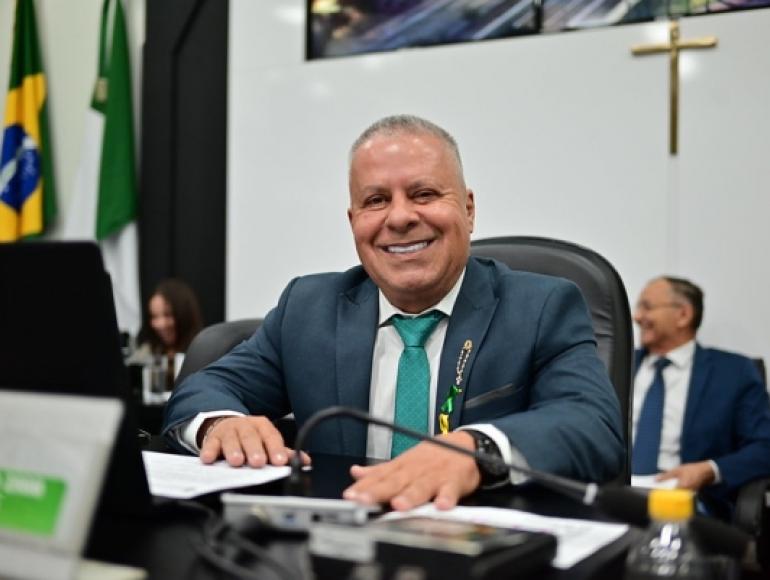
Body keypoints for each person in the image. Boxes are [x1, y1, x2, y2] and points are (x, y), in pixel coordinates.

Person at [163, 114, 623, 511]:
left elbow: (593, 426)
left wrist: (477, 449)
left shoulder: (542, 307)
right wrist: (221, 424)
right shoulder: (308, 308)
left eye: (423, 194)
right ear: (354, 223)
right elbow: (205, 387)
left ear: (468, 210)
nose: (399, 218)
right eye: (376, 200)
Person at [632, 276, 770, 516]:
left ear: (683, 315)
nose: (637, 316)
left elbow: (764, 447)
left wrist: (708, 470)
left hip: (688, 502)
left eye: (647, 307)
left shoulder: (734, 372)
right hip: (613, 494)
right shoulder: (617, 366)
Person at [132, 278, 204, 370]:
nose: (160, 324)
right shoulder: (146, 353)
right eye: (154, 316)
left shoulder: (203, 354)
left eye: (167, 315)